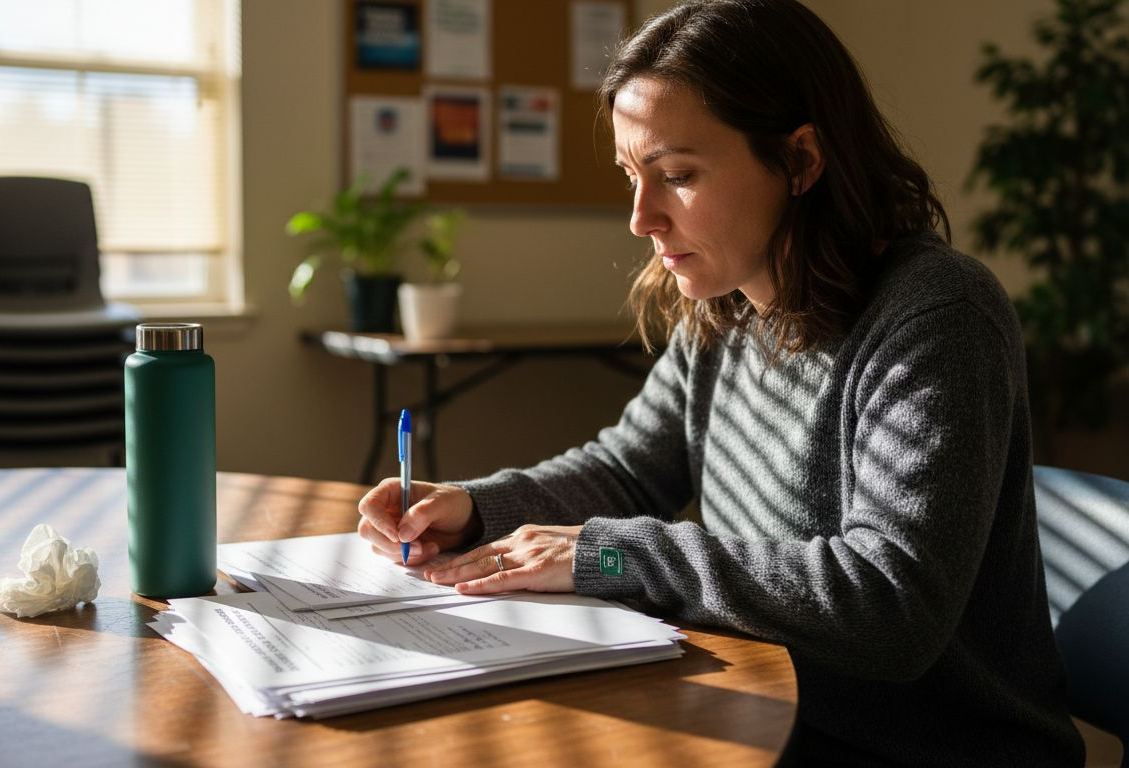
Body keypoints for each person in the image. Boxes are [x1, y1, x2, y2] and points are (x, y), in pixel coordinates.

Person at [356, 0, 1084, 764]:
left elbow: (889, 608)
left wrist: (612, 556)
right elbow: (626, 471)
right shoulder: (729, 309)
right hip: (766, 715)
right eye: (632, 176)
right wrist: (476, 510)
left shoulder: (938, 317)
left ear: (800, 161)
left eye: (677, 175)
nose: (641, 218)